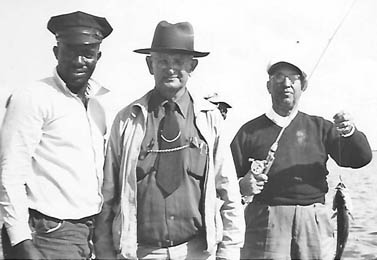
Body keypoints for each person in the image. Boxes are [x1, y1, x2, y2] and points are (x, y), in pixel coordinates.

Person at [94, 21, 244, 260]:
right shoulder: (127, 120)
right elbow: (108, 193)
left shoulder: (210, 120)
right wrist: (104, 250)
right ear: (149, 64)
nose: (170, 69)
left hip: (196, 251)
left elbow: (228, 191)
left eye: (178, 62)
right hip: (142, 252)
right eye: (162, 61)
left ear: (192, 65)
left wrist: (229, 252)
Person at [230, 56, 372, 259]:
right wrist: (242, 187)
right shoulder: (248, 132)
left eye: (293, 78)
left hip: (313, 223)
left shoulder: (320, 127)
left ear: (303, 85)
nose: (286, 84)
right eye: (279, 77)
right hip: (264, 224)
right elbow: (221, 183)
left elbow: (361, 158)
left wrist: (350, 132)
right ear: (268, 86)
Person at [0, 11, 112, 259]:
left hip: (87, 234)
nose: (79, 60)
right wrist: (21, 241)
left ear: (98, 57)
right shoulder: (33, 97)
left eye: (88, 54)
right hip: (48, 234)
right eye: (71, 51)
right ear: (56, 52)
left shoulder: (97, 108)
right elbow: (10, 173)